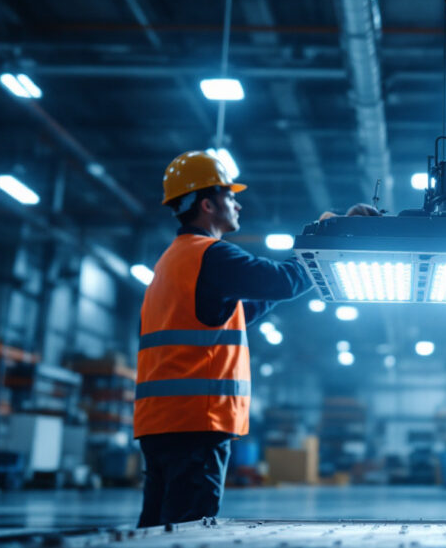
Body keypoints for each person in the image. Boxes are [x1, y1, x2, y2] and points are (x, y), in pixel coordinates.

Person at [135, 150, 376, 527]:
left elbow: (235, 315)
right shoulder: (211, 256)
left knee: (155, 529)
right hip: (196, 421)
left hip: (159, 424)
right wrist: (326, 237)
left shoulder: (170, 262)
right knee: (185, 529)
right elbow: (283, 280)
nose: (238, 203)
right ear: (207, 204)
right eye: (230, 196)